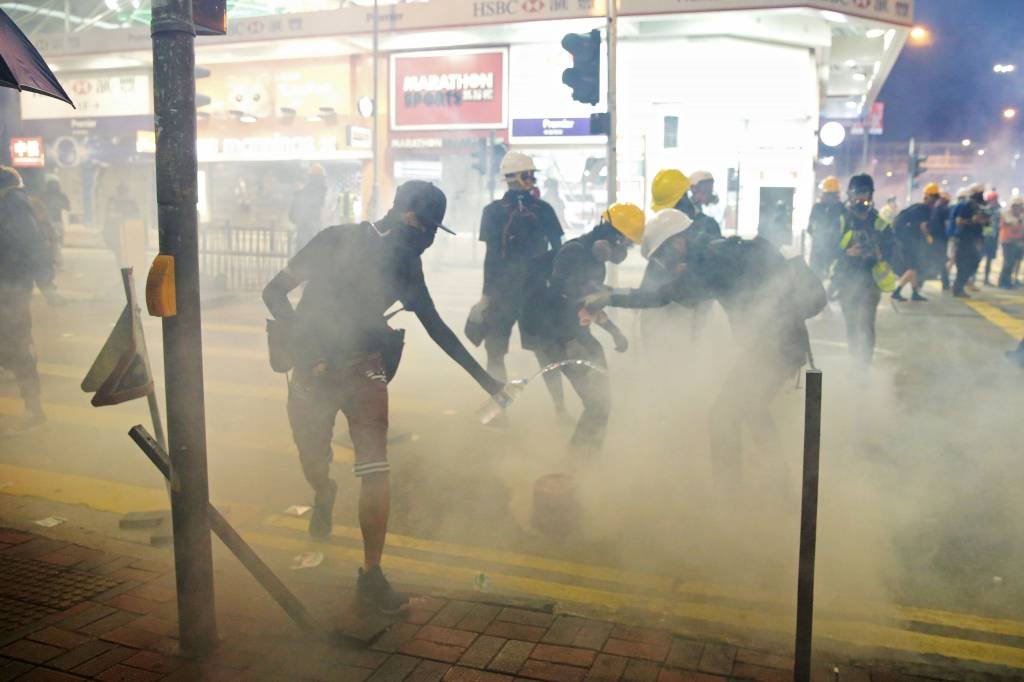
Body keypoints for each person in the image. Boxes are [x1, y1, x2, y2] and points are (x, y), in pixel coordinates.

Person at [262, 181, 507, 614]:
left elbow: (438, 329)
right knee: (312, 460)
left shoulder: (407, 267)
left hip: (365, 371)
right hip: (311, 371)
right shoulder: (334, 239)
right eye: (431, 229)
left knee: (376, 470)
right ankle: (323, 493)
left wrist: (488, 382)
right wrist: (308, 345)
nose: (431, 240)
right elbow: (274, 291)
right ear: (411, 219)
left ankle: (372, 574)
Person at [581, 219, 820, 484]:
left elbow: (659, 296)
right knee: (752, 409)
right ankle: (780, 483)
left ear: (678, 241)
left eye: (664, 255)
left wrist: (611, 295)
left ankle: (729, 498)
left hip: (773, 348)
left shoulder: (708, 263)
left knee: (722, 416)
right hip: (788, 343)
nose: (668, 265)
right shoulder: (732, 246)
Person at [519, 203, 644, 452]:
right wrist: (569, 342)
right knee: (598, 403)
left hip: (574, 335)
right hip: (560, 338)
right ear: (614, 236)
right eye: (627, 243)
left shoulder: (594, 261)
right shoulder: (575, 253)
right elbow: (555, 299)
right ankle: (579, 462)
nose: (626, 250)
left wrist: (614, 331)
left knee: (602, 401)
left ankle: (585, 455)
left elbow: (587, 302)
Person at [475, 152, 565, 416]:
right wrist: (485, 296)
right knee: (498, 352)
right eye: (527, 175)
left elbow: (559, 251)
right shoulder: (504, 211)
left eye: (532, 175)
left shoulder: (533, 210)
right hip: (516, 291)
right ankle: (502, 410)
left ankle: (559, 407)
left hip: (528, 291)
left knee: (543, 352)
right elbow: (491, 257)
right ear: (512, 178)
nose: (531, 180)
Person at [0, 167, 59, 431]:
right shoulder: (15, 203)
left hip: (10, 288)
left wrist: (47, 284)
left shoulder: (13, 205)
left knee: (17, 345)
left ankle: (34, 411)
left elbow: (31, 244)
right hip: (9, 286)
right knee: (15, 345)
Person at [832, 174, 894, 367]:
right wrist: (846, 252)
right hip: (846, 280)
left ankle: (864, 367)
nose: (860, 198)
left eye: (864, 193)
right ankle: (854, 361)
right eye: (856, 193)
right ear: (849, 195)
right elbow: (825, 248)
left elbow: (894, 251)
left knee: (866, 324)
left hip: (870, 281)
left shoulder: (881, 223)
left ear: (871, 194)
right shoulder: (840, 221)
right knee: (851, 324)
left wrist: (879, 253)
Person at [890, 183, 941, 302]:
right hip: (910, 242)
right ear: (928, 197)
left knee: (914, 267)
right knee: (912, 267)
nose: (934, 201)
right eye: (933, 198)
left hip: (905, 240)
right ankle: (897, 291)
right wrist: (928, 237)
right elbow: (923, 227)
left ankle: (914, 293)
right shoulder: (925, 209)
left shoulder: (917, 207)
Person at [950, 184, 989, 298]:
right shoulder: (967, 205)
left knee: (974, 263)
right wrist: (973, 221)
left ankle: (959, 286)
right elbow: (959, 221)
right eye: (980, 193)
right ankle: (958, 288)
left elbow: (985, 223)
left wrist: (984, 222)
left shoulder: (978, 206)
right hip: (965, 239)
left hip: (975, 240)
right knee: (964, 264)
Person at [807, 176, 845, 278]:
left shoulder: (818, 207)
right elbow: (810, 228)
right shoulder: (842, 208)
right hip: (830, 251)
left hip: (830, 251)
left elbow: (810, 229)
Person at [289, 164, 328, 254]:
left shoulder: (300, 194)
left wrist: (301, 223)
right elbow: (324, 216)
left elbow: (292, 216)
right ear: (321, 179)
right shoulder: (322, 194)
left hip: (302, 235)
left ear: (309, 177)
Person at [103, 183, 141, 266]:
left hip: (126, 231)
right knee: (121, 254)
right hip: (119, 231)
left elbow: (136, 216)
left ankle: (126, 273)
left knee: (123, 255)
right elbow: (108, 217)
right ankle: (125, 273)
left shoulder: (130, 202)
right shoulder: (114, 201)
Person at [40, 176, 69, 266]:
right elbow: (68, 207)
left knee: (48, 242)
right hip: (56, 222)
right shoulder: (61, 195)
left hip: (47, 223)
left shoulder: (43, 195)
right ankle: (57, 261)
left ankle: (51, 261)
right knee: (57, 243)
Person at [927, 191, 952, 290]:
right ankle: (944, 283)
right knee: (940, 261)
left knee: (939, 261)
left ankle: (944, 282)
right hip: (940, 239)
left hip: (935, 238)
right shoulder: (942, 208)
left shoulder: (935, 208)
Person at [998, 197, 1024, 289]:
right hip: (1007, 241)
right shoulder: (1006, 214)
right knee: (1008, 262)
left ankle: (1008, 281)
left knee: (1012, 262)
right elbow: (1011, 222)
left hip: (1016, 241)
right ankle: (1003, 282)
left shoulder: (1019, 215)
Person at [981, 190, 1002, 286]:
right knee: (981, 257)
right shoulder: (988, 210)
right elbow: (987, 226)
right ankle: (974, 278)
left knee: (988, 259)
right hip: (987, 237)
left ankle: (985, 278)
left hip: (992, 236)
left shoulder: (995, 209)